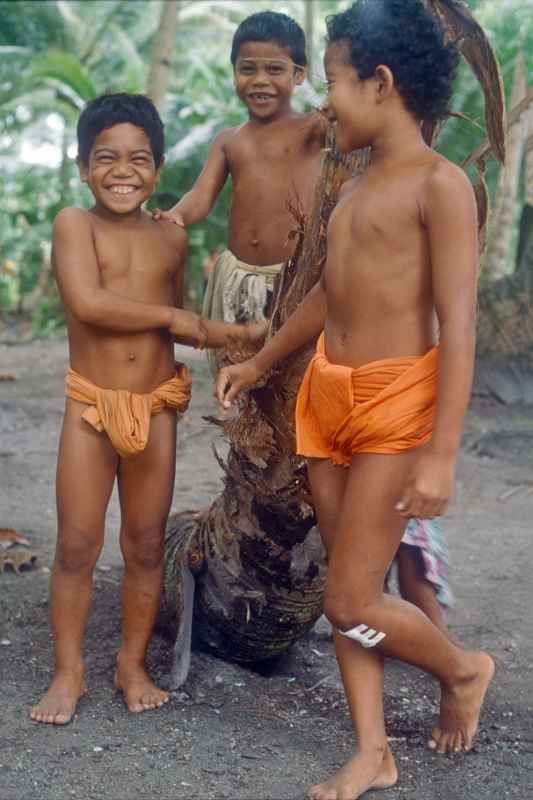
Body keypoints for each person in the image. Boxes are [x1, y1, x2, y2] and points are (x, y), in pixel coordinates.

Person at [216, 2, 494, 797]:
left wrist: (440, 453)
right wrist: (263, 361)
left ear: (380, 81)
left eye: (332, 81)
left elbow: (460, 323)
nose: (325, 101)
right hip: (325, 399)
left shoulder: (439, 188)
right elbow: (326, 304)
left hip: (393, 406)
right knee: (353, 590)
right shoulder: (355, 187)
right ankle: (372, 748)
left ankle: (462, 667)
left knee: (345, 599)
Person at [30, 93, 257, 726]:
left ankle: (132, 665)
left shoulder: (170, 238)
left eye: (138, 159)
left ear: (157, 170)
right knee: (76, 544)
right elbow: (89, 303)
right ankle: (68, 672)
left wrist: (238, 337)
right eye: (105, 158)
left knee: (145, 544)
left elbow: (175, 330)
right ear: (82, 166)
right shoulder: (75, 223)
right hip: (92, 408)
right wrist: (180, 317)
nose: (121, 171)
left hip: (156, 408)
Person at [153, 10, 326, 372]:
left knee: (297, 373)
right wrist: (178, 215)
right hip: (239, 284)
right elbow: (201, 195)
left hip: (295, 281)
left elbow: (353, 115)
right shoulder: (230, 141)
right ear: (234, 73)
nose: (259, 80)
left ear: (299, 75)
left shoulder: (314, 129)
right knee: (246, 382)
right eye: (248, 69)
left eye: (275, 70)